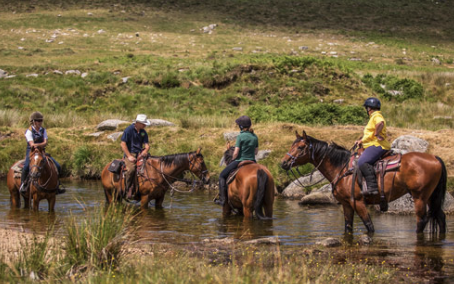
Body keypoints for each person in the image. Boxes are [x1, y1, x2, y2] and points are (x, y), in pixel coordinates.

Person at [215, 115, 258, 206]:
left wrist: (234, 158)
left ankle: (223, 200)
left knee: (222, 176)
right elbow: (256, 152)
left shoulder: (240, 136)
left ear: (241, 126)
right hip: (253, 162)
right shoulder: (255, 136)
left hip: (239, 160)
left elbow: (235, 152)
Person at [20, 111, 64, 194]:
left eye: (41, 121)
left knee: (57, 165)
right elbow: (32, 145)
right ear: (33, 121)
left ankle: (57, 185)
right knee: (26, 166)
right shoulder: (29, 131)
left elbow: (45, 142)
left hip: (42, 151)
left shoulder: (43, 130)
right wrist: (40, 144)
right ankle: (23, 185)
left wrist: (39, 145)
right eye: (38, 121)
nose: (40, 122)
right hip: (31, 151)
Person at [355, 97, 391, 196]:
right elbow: (368, 135)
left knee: (362, 161)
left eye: (366, 108)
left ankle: (373, 187)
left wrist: (376, 133)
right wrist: (361, 141)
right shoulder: (373, 117)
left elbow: (380, 123)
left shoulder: (376, 116)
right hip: (372, 144)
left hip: (378, 145)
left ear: (369, 108)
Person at [120, 114, 150, 196]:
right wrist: (129, 156)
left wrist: (146, 150)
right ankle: (126, 190)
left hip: (140, 153)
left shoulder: (143, 132)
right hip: (130, 153)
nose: (144, 125)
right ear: (138, 123)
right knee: (131, 169)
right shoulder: (128, 130)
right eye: (143, 124)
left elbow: (146, 145)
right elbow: (123, 144)